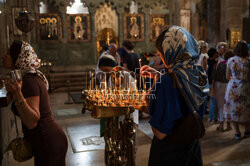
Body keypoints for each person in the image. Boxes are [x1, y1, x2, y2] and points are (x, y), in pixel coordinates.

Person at [140, 26, 208, 166]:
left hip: (170, 155)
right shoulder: (200, 74)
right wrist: (158, 75)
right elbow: (182, 91)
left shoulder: (166, 82)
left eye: (161, 53)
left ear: (170, 51)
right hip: (193, 150)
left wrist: (147, 101)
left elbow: (160, 132)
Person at [2, 40, 68, 166]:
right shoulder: (28, 77)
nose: (3, 56)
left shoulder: (29, 81)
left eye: (9, 53)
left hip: (48, 143)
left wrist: (17, 93)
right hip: (46, 142)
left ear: (18, 57)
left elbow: (32, 121)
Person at [98, 54, 138, 165]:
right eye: (102, 71)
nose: (105, 73)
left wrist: (135, 120)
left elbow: (135, 97)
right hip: (113, 115)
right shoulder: (107, 77)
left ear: (113, 67)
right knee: (113, 142)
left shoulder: (126, 76)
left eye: (107, 70)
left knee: (129, 143)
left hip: (127, 114)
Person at [224, 41, 250, 140]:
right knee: (246, 108)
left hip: (233, 88)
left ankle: (237, 133)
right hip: (245, 88)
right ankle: (247, 131)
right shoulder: (248, 61)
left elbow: (227, 76)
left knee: (232, 109)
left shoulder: (231, 60)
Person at [211, 50, 234, 131]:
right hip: (229, 85)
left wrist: (212, 88)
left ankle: (221, 125)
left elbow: (213, 76)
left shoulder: (217, 64)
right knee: (228, 105)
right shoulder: (232, 64)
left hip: (218, 85)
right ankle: (228, 124)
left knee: (220, 106)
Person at [207, 48, 219, 122]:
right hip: (213, 83)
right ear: (214, 54)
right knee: (214, 101)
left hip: (208, 82)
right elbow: (214, 75)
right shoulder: (215, 63)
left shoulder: (208, 61)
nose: (217, 54)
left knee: (212, 101)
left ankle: (210, 117)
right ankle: (214, 118)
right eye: (216, 53)